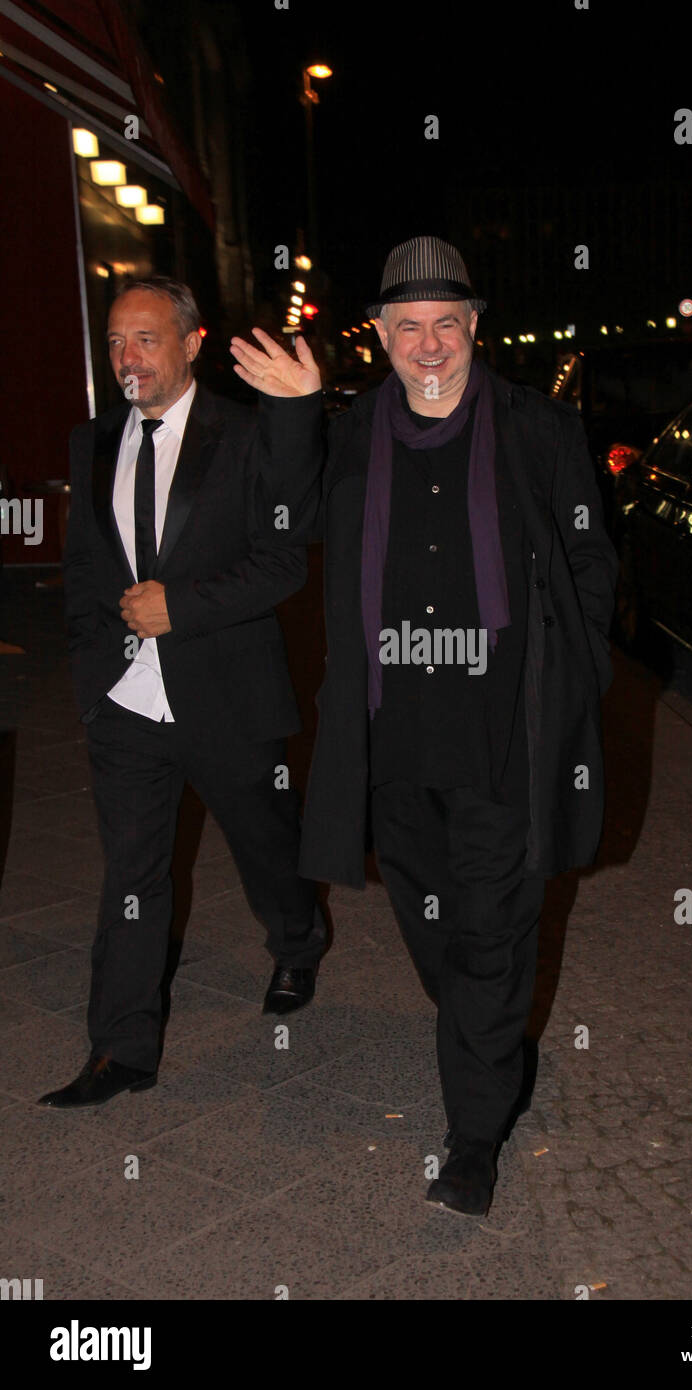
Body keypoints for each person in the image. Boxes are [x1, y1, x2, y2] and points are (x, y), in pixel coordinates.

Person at [234, 236, 618, 1216]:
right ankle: (482, 1031)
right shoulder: (353, 431)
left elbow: (588, 566)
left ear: (474, 328)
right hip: (391, 741)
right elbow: (283, 519)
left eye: (447, 322)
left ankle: (472, 1139)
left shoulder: (538, 428)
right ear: (380, 335)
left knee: (492, 936)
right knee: (434, 930)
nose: (430, 344)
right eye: (408, 325)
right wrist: (288, 412)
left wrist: (573, 685)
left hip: (503, 740)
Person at [39, 277, 326, 1109]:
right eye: (117, 341)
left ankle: (297, 941)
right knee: (132, 871)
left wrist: (182, 608)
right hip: (125, 705)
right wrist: (93, 683)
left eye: (147, 339)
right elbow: (86, 573)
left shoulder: (241, 434)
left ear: (194, 343)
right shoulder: (89, 442)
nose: (128, 357)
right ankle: (121, 1048)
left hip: (227, 696)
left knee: (265, 844)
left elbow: (281, 559)